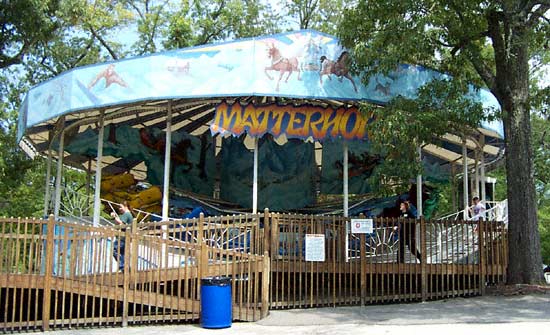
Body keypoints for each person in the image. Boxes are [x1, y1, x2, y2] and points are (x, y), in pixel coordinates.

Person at [111, 201, 134, 272]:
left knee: (115, 251)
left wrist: (115, 218)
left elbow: (122, 224)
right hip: (125, 237)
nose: (119, 209)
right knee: (122, 253)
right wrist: (115, 217)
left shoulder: (127, 214)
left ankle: (122, 266)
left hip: (122, 237)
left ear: (125, 206)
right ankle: (125, 268)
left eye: (121, 207)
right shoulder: (126, 215)